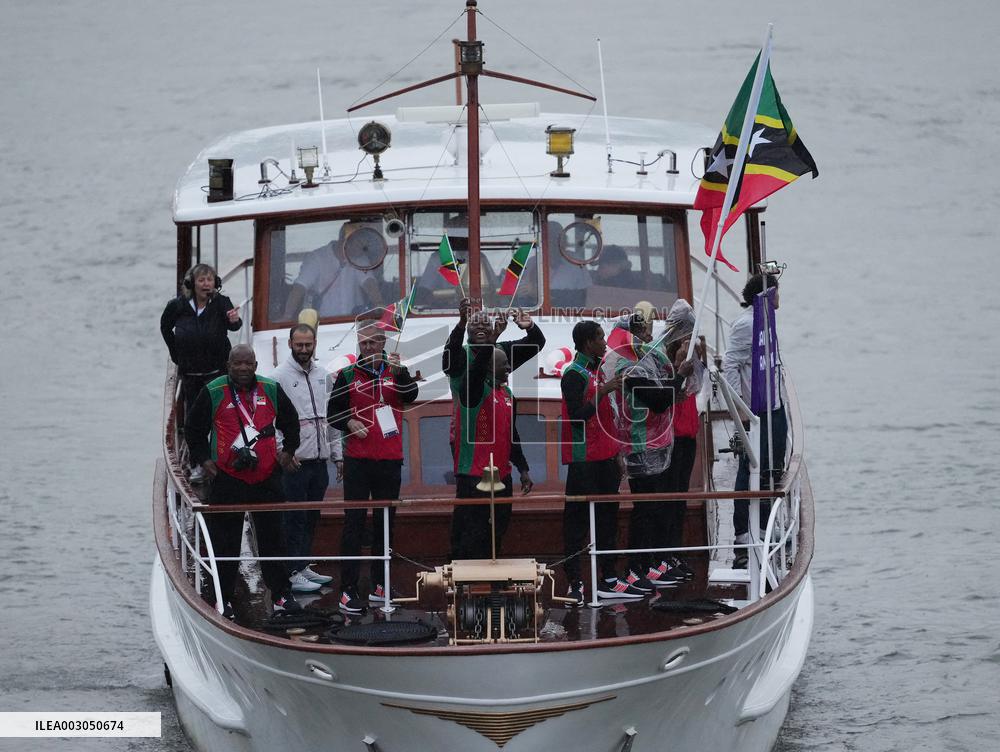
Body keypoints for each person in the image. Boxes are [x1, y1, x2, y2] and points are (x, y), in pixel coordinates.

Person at [185, 345, 302, 615]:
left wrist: (288, 452)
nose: (242, 369)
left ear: (256, 364)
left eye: (247, 363)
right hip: (228, 479)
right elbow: (193, 429)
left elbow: (291, 421)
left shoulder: (270, 389)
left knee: (274, 539)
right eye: (237, 364)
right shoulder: (213, 391)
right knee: (225, 542)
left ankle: (281, 595)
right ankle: (222, 597)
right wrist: (205, 461)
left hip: (267, 478)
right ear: (228, 365)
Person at [327, 321, 418, 612]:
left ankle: (380, 585)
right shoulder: (348, 375)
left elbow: (411, 395)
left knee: (385, 524)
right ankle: (348, 589)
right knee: (353, 525)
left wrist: (401, 371)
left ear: (383, 344)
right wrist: (349, 422)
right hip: (358, 459)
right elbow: (333, 413)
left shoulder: (397, 372)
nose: (368, 348)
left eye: (373, 343)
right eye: (363, 343)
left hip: (390, 459)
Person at [611, 308, 692, 592]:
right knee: (644, 512)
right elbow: (657, 400)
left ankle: (650, 564)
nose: (648, 337)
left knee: (656, 509)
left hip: (655, 445)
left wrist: (676, 385)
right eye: (642, 333)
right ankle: (635, 569)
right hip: (639, 447)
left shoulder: (644, 363)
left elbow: (663, 392)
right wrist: (680, 375)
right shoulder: (628, 368)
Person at [559, 321, 640, 605]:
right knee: (577, 524)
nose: (605, 342)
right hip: (583, 462)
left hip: (605, 458)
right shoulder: (573, 375)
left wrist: (617, 452)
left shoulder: (596, 371)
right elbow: (577, 415)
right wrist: (603, 391)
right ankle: (575, 583)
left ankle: (608, 578)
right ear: (587, 342)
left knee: (608, 520)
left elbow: (609, 418)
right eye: (600, 338)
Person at [271, 324, 343, 594]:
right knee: (294, 517)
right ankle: (291, 571)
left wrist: (338, 456)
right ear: (290, 344)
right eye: (299, 345)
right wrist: (283, 452)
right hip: (295, 461)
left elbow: (332, 418)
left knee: (312, 516)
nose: (303, 350)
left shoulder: (324, 375)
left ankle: (302, 566)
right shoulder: (277, 377)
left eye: (308, 345)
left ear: (315, 344)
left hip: (319, 459)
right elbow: (272, 421)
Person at [722, 273, 787, 569]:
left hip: (775, 406)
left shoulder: (767, 321)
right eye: (776, 292)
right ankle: (742, 536)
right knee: (751, 469)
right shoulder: (746, 324)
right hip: (756, 410)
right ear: (767, 294)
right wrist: (742, 410)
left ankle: (764, 527)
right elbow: (730, 365)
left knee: (773, 469)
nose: (779, 298)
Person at [160, 263, 242, 483]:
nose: (207, 284)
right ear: (191, 284)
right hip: (191, 374)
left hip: (217, 372)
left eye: (210, 280)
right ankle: (197, 464)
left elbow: (234, 326)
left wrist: (234, 320)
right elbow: (165, 327)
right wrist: (176, 352)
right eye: (202, 280)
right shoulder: (177, 306)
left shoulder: (221, 303)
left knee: (221, 417)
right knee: (194, 422)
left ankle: (222, 460)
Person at [450, 347, 534, 560]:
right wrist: (488, 344)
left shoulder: (507, 394)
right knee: (471, 533)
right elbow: (475, 373)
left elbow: (511, 434)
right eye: (502, 363)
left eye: (508, 363)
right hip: (474, 475)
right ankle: (465, 582)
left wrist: (523, 468)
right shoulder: (474, 391)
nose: (508, 367)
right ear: (488, 366)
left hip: (502, 475)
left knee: (497, 530)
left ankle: (492, 584)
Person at [658, 299, 705, 582]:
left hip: (687, 435)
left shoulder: (693, 355)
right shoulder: (665, 359)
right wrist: (679, 369)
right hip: (671, 436)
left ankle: (673, 552)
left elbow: (696, 388)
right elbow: (669, 395)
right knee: (670, 498)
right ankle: (665, 554)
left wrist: (698, 358)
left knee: (681, 498)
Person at [283, 222, 384, 320]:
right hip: (322, 324)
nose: (361, 248)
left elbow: (369, 282)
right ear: (344, 240)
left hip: (354, 321)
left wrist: (379, 304)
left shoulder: (360, 258)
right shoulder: (317, 258)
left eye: (363, 244)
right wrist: (287, 316)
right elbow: (300, 287)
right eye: (358, 243)